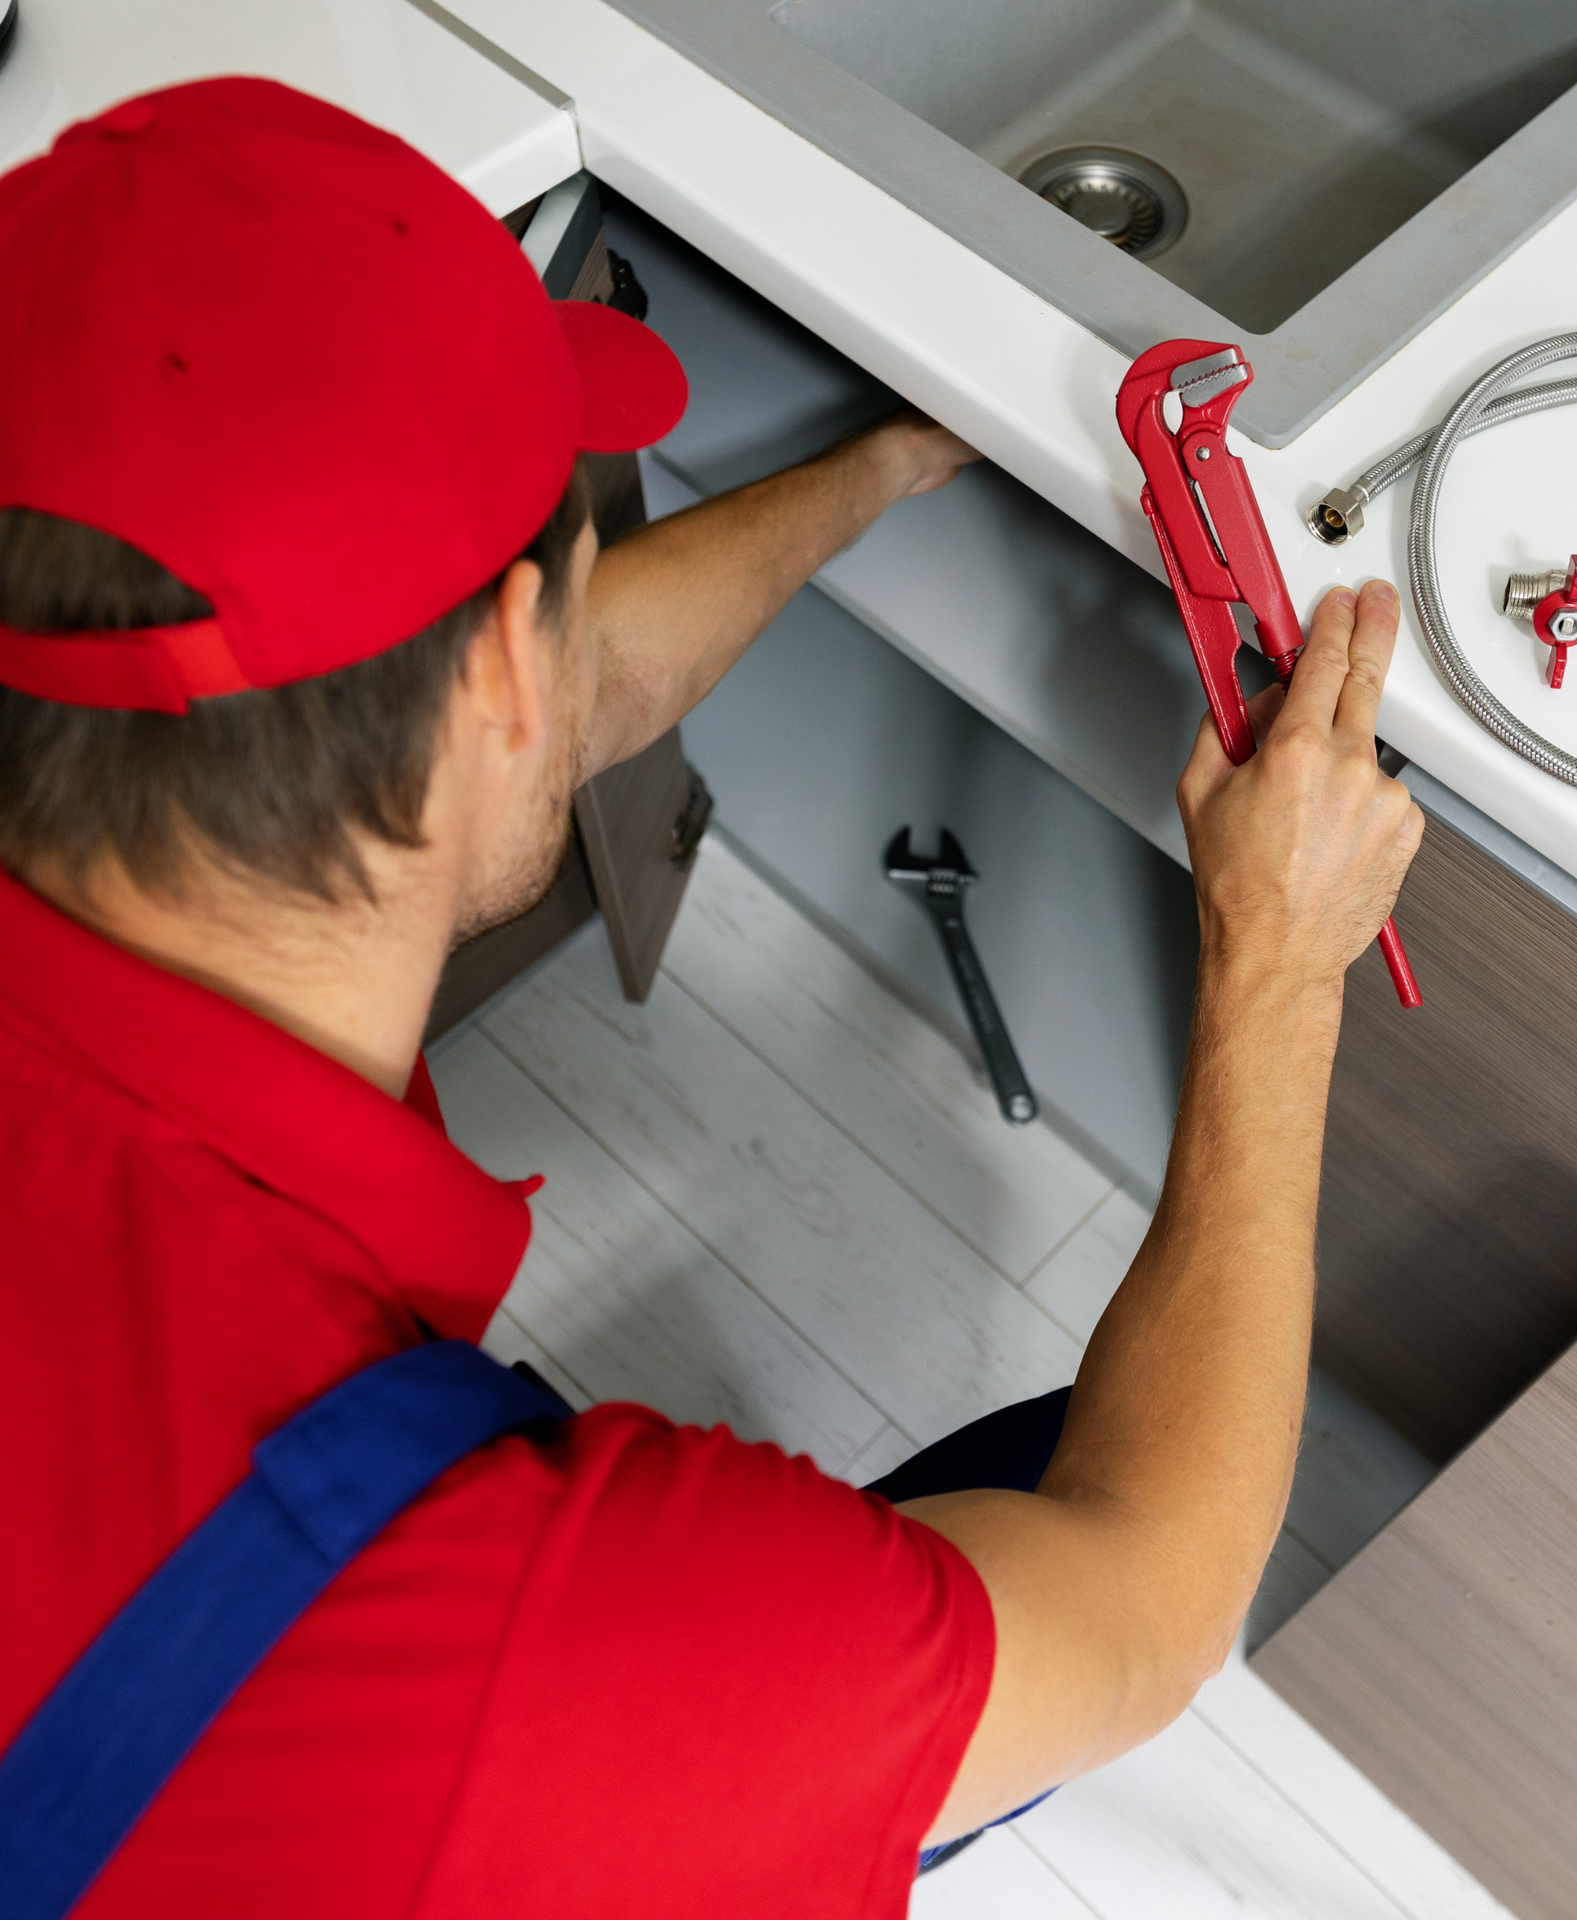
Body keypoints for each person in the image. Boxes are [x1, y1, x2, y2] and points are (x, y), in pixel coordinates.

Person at [0, 78, 1421, 1920]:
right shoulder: (539, 1657)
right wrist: (1279, 960)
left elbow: (539, 709)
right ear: (504, 665)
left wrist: (879, 466)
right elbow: (1149, 1599)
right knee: (1075, 1490)